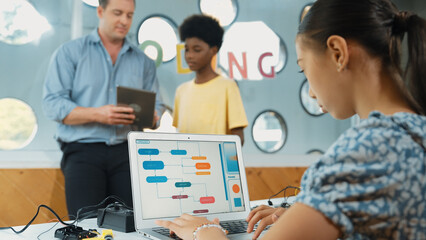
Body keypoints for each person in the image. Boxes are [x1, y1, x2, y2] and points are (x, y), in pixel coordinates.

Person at [156, 0, 426, 239]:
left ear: (337, 53)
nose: (309, 89)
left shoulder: (362, 154)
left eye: (303, 69)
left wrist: (203, 231)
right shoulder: (415, 131)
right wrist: (305, 213)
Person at [42, 0, 163, 217]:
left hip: (127, 152)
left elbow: (158, 108)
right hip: (82, 152)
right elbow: (52, 104)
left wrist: (153, 117)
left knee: (130, 224)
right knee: (85, 224)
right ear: (100, 11)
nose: (124, 21)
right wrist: (99, 114)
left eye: (129, 15)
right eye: (117, 13)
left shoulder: (143, 62)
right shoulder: (70, 53)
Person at [172, 15, 248, 145]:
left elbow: (238, 139)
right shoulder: (181, 91)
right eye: (186, 50)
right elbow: (180, 135)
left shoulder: (228, 87)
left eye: (197, 50)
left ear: (213, 50)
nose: (190, 56)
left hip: (215, 163)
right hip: (186, 162)